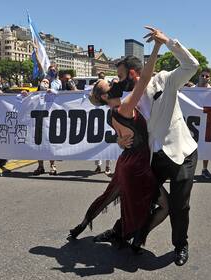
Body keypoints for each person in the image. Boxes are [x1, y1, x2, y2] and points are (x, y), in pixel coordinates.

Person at [94, 28, 199, 266]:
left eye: (120, 76)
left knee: (179, 205)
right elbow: (122, 128)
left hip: (182, 152)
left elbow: (191, 66)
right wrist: (119, 140)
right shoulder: (125, 100)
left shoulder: (164, 79)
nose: (117, 81)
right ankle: (120, 233)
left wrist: (169, 42)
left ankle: (180, 245)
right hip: (152, 157)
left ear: (132, 73)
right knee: (136, 196)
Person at [69, 27, 169, 254]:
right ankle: (134, 241)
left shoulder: (112, 112)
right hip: (136, 166)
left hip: (127, 162)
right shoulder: (123, 108)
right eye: (109, 83)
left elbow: (121, 135)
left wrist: (119, 140)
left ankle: (81, 227)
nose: (114, 81)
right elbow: (144, 79)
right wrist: (156, 47)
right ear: (105, 96)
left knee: (110, 196)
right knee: (159, 205)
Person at [32, 79, 58, 175]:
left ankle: (52, 166)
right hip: (37, 123)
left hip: (49, 123)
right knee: (39, 146)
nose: (45, 84)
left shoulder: (51, 93)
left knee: (50, 146)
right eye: (43, 82)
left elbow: (60, 98)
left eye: (47, 82)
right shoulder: (34, 94)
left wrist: (53, 92)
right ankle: (40, 166)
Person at [195, 68, 211, 179]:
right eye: (203, 76)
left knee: (206, 146)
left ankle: (204, 169)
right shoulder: (190, 90)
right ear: (199, 76)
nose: (204, 78)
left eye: (207, 76)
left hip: (207, 122)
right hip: (193, 122)